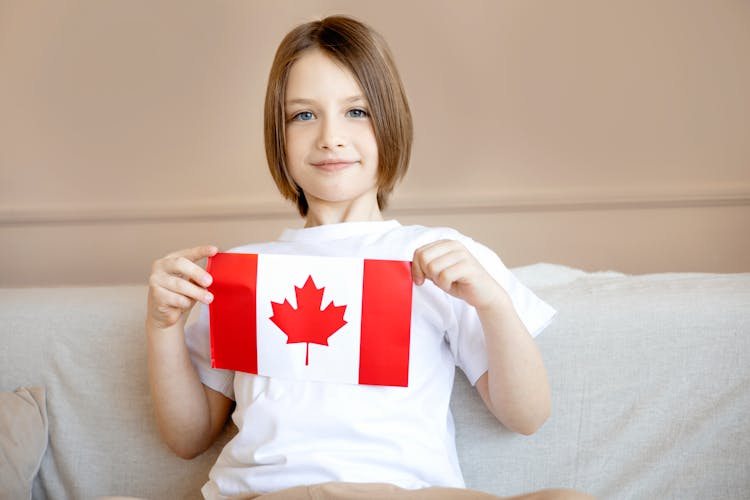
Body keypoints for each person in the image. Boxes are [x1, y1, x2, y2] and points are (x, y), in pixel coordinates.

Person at [146, 15, 592, 500]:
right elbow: (188, 438)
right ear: (280, 138)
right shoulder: (240, 271)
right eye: (303, 115)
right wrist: (162, 326)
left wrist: (493, 303)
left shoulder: (439, 255)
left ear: (390, 122)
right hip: (270, 492)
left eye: (356, 112)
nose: (330, 137)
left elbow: (526, 416)